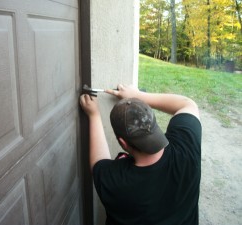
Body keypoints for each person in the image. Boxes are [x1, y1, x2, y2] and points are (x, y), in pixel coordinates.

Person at [79, 84, 202, 225]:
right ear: (154, 125)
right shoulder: (187, 149)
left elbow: (98, 161)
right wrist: (139, 96)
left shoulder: (115, 181)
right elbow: (188, 104)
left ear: (123, 143)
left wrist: (93, 115)